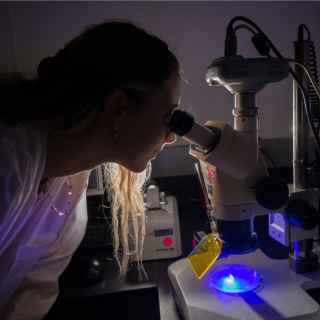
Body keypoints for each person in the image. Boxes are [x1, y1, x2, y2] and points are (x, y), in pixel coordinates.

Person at [0, 20, 181, 319]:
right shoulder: (9, 158)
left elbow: (32, 292)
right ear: (117, 107)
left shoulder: (72, 182)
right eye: (168, 116)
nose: (171, 136)